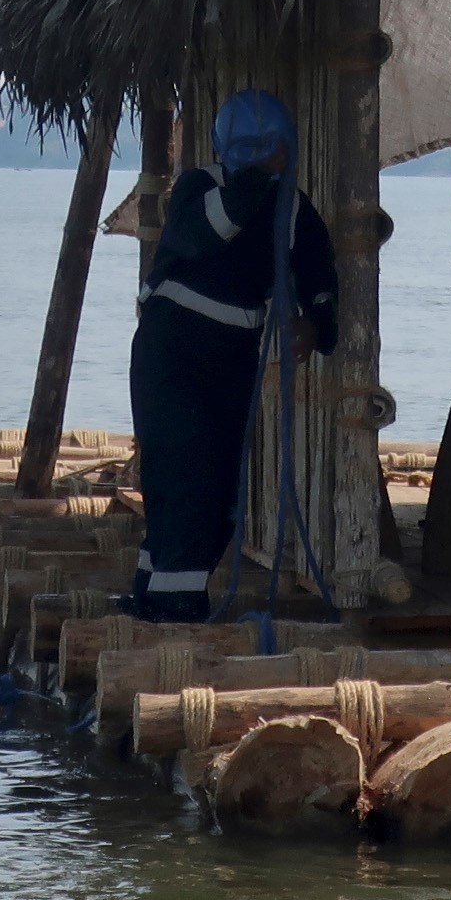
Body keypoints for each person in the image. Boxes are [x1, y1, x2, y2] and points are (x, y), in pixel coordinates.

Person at [125, 88, 339, 622]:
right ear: (225, 147)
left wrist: (317, 322)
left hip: (233, 354)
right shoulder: (201, 185)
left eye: (271, 144)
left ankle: (160, 591)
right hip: (172, 345)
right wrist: (257, 178)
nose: (263, 153)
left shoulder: (292, 206)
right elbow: (206, 234)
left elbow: (317, 270)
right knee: (178, 470)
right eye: (249, 145)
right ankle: (171, 601)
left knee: (218, 485)